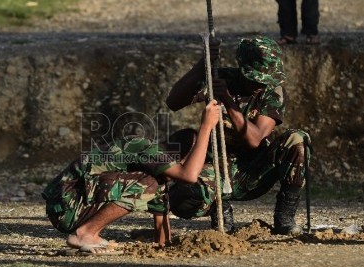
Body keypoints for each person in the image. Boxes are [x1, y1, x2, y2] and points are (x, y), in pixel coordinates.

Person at [165, 35, 312, 235]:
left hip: (253, 172)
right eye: (255, 79)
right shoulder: (221, 78)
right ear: (242, 71)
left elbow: (255, 139)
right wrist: (204, 63)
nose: (260, 85)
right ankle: (220, 208)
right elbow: (173, 102)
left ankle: (284, 218)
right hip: (215, 170)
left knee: (298, 139)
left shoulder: (272, 92)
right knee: (181, 198)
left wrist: (227, 100)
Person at [42, 100, 220, 254]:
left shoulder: (156, 174)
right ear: (179, 158)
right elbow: (188, 175)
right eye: (191, 161)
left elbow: (162, 235)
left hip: (72, 206)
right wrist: (206, 126)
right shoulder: (144, 148)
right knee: (149, 184)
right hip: (66, 204)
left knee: (152, 185)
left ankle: (87, 233)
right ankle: (85, 234)